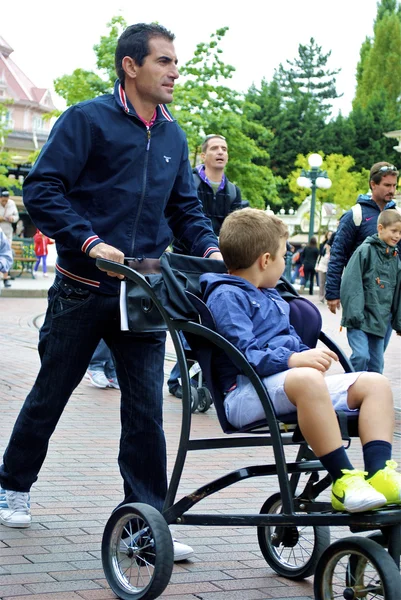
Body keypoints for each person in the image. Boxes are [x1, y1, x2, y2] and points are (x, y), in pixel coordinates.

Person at [0, 23, 222, 562]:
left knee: (146, 412)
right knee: (50, 394)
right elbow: (43, 188)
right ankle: (12, 484)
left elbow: (184, 207)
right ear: (131, 65)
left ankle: (143, 524)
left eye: (175, 62)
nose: (175, 71)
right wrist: (89, 241)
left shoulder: (173, 135)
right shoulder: (87, 120)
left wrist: (211, 251)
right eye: (165, 61)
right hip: (81, 288)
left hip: (144, 293)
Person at [200, 208, 401, 513]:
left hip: (286, 387)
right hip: (243, 393)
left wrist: (304, 355)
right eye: (283, 255)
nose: (285, 263)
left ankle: (379, 474)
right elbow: (245, 356)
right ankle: (344, 480)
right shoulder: (226, 296)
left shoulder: (270, 294)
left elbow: (289, 342)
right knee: (306, 378)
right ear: (265, 260)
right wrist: (295, 358)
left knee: (375, 383)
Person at [168, 133, 242, 397]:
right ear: (203, 155)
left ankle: (200, 380)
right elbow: (179, 219)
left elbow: (236, 227)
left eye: (224, 148)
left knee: (213, 322)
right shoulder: (189, 182)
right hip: (187, 263)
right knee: (190, 320)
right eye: (214, 148)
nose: (220, 152)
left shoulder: (233, 190)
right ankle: (179, 380)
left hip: (218, 264)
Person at [326, 162, 401, 316]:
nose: (392, 190)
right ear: (373, 184)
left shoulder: (398, 215)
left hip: (388, 296)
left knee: (381, 341)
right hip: (359, 294)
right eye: (387, 185)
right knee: (360, 339)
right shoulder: (355, 215)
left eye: (394, 186)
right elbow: (338, 254)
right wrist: (332, 292)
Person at [340, 209, 401, 373]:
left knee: (376, 365)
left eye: (400, 233)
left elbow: (398, 294)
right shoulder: (365, 250)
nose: (397, 236)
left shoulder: (395, 259)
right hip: (359, 319)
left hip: (379, 321)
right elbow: (351, 283)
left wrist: (398, 322)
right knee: (361, 356)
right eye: (394, 231)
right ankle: (349, 389)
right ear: (380, 228)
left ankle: (371, 396)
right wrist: (354, 315)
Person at [0, 190, 19, 288]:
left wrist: (13, 218)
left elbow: (17, 217)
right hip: (0, 229)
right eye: (3, 201)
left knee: (6, 254)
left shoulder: (12, 204)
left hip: (7, 233)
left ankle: (5, 278)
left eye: (6, 201)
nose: (4, 203)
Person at [316, 232, 332, 303]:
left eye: (331, 235)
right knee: (321, 282)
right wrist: (316, 265)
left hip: (330, 265)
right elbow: (320, 255)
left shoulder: (335, 244)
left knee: (328, 283)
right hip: (322, 265)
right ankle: (321, 297)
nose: (330, 236)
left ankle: (327, 296)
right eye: (329, 235)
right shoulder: (322, 245)